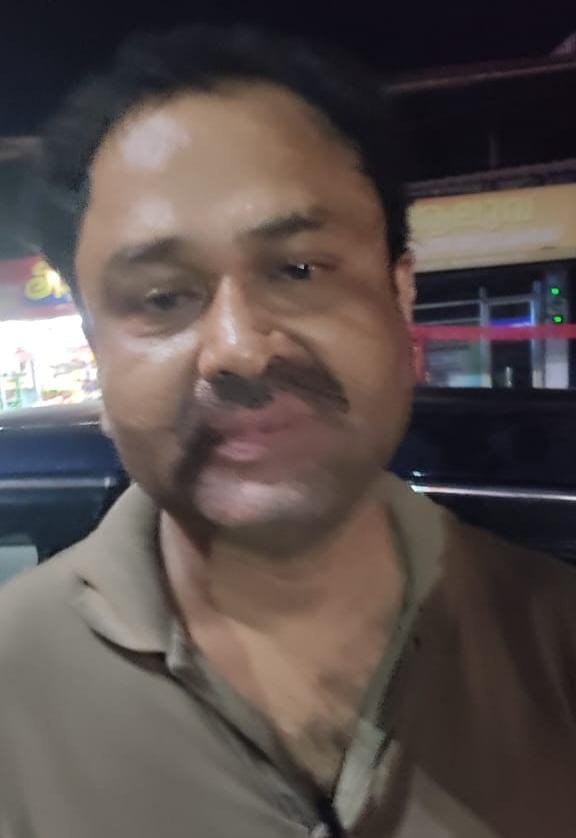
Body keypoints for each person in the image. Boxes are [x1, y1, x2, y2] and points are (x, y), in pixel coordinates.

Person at [1, 25, 575, 838]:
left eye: (298, 270)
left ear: (400, 295)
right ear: (97, 350)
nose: (239, 349)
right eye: (162, 298)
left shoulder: (555, 640)